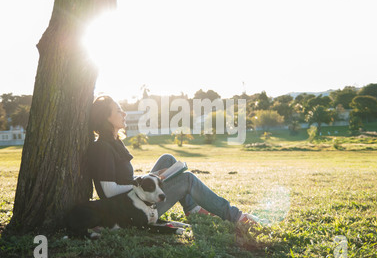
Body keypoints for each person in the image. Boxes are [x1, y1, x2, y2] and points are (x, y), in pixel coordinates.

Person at [87, 95, 254, 224]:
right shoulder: (103, 147)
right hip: (132, 209)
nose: (124, 113)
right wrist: (143, 182)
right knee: (187, 179)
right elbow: (108, 192)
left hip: (136, 196)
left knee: (167, 159)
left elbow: (126, 180)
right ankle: (235, 216)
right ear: (106, 117)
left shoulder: (115, 142)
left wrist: (151, 177)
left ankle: (192, 208)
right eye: (118, 110)